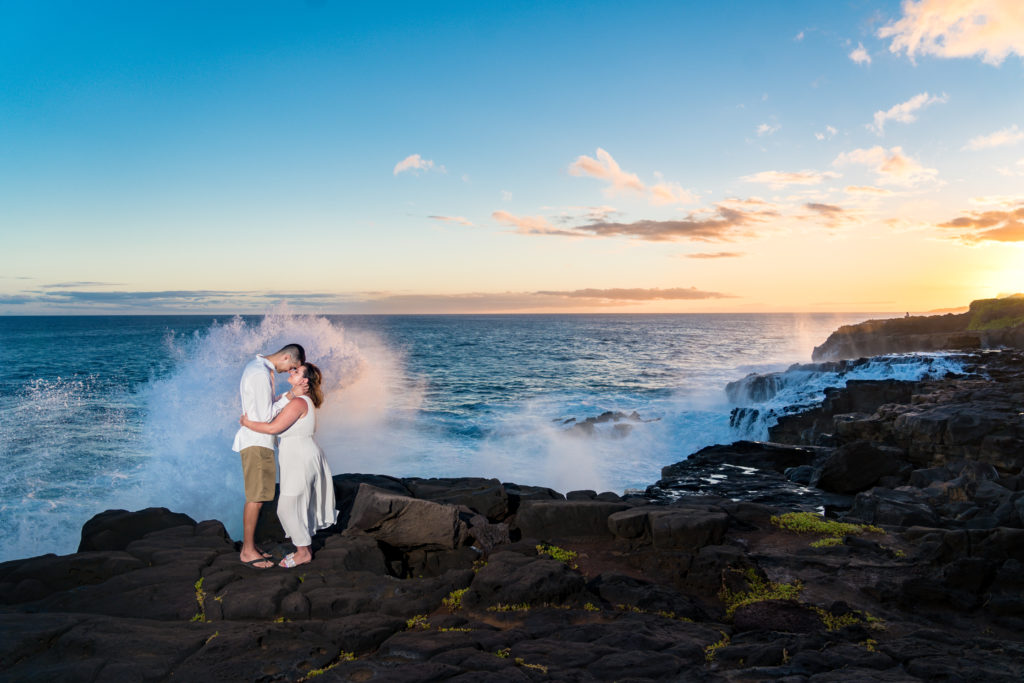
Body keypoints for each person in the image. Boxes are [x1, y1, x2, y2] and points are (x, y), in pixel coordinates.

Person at [240, 362, 337, 568]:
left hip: (300, 457)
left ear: (305, 381)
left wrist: (247, 424)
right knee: (296, 504)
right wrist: (290, 393)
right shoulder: (299, 400)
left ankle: (303, 553)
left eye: (297, 371)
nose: (291, 371)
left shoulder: (300, 403)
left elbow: (273, 427)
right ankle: (306, 548)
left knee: (286, 508)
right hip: (298, 456)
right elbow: (273, 409)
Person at [232, 343, 306, 569]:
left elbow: (264, 408)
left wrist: (286, 397)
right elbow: (266, 418)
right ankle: (247, 551)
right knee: (256, 498)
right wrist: (291, 396)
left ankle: (250, 546)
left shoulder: (256, 368)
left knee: (258, 496)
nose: (289, 371)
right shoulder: (261, 374)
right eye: (291, 366)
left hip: (255, 441)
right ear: (285, 357)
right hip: (257, 442)